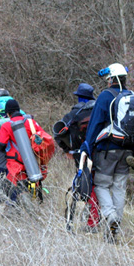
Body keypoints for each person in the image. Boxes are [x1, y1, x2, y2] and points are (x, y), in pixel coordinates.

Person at [80, 63, 134, 243]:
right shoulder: (132, 97)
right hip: (128, 149)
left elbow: (95, 123)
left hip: (106, 150)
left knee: (102, 185)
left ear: (111, 79)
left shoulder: (105, 96)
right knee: (119, 187)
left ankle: (110, 215)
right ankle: (115, 227)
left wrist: (87, 145)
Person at [55, 83, 100, 233]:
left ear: (79, 97)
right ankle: (94, 217)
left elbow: (59, 132)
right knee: (97, 184)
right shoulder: (99, 110)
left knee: (86, 185)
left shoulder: (73, 114)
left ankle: (91, 221)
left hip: (79, 155)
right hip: (99, 152)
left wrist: (67, 150)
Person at [0, 99, 48, 207]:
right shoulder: (31, 122)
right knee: (33, 184)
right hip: (33, 162)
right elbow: (42, 138)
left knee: (15, 189)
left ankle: (16, 210)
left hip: (16, 164)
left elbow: (0, 145)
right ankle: (36, 204)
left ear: (8, 113)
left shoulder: (6, 126)